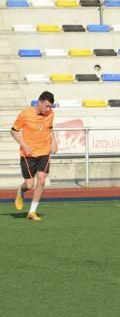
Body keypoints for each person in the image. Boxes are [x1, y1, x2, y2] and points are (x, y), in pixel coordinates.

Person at [11, 91, 58, 222]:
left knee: (42, 180)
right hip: (28, 154)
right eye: (47, 106)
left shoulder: (50, 114)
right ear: (40, 102)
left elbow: (50, 129)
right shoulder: (25, 114)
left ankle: (32, 211)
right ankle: (21, 190)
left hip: (44, 152)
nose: (48, 109)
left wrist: (54, 142)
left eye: (50, 106)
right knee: (29, 184)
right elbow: (13, 131)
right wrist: (24, 144)